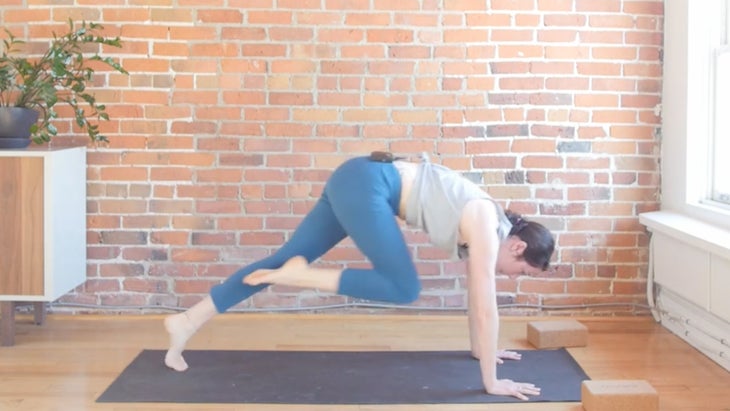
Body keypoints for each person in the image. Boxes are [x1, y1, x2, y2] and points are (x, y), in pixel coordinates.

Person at [163, 152, 555, 401]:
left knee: (279, 262)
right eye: (522, 272)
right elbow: (487, 308)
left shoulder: (489, 227)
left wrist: (481, 352)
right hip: (368, 185)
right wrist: (492, 382)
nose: (514, 278)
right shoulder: (488, 223)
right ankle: (305, 277)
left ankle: (186, 321)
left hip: (355, 176)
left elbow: (477, 299)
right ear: (518, 247)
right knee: (404, 287)